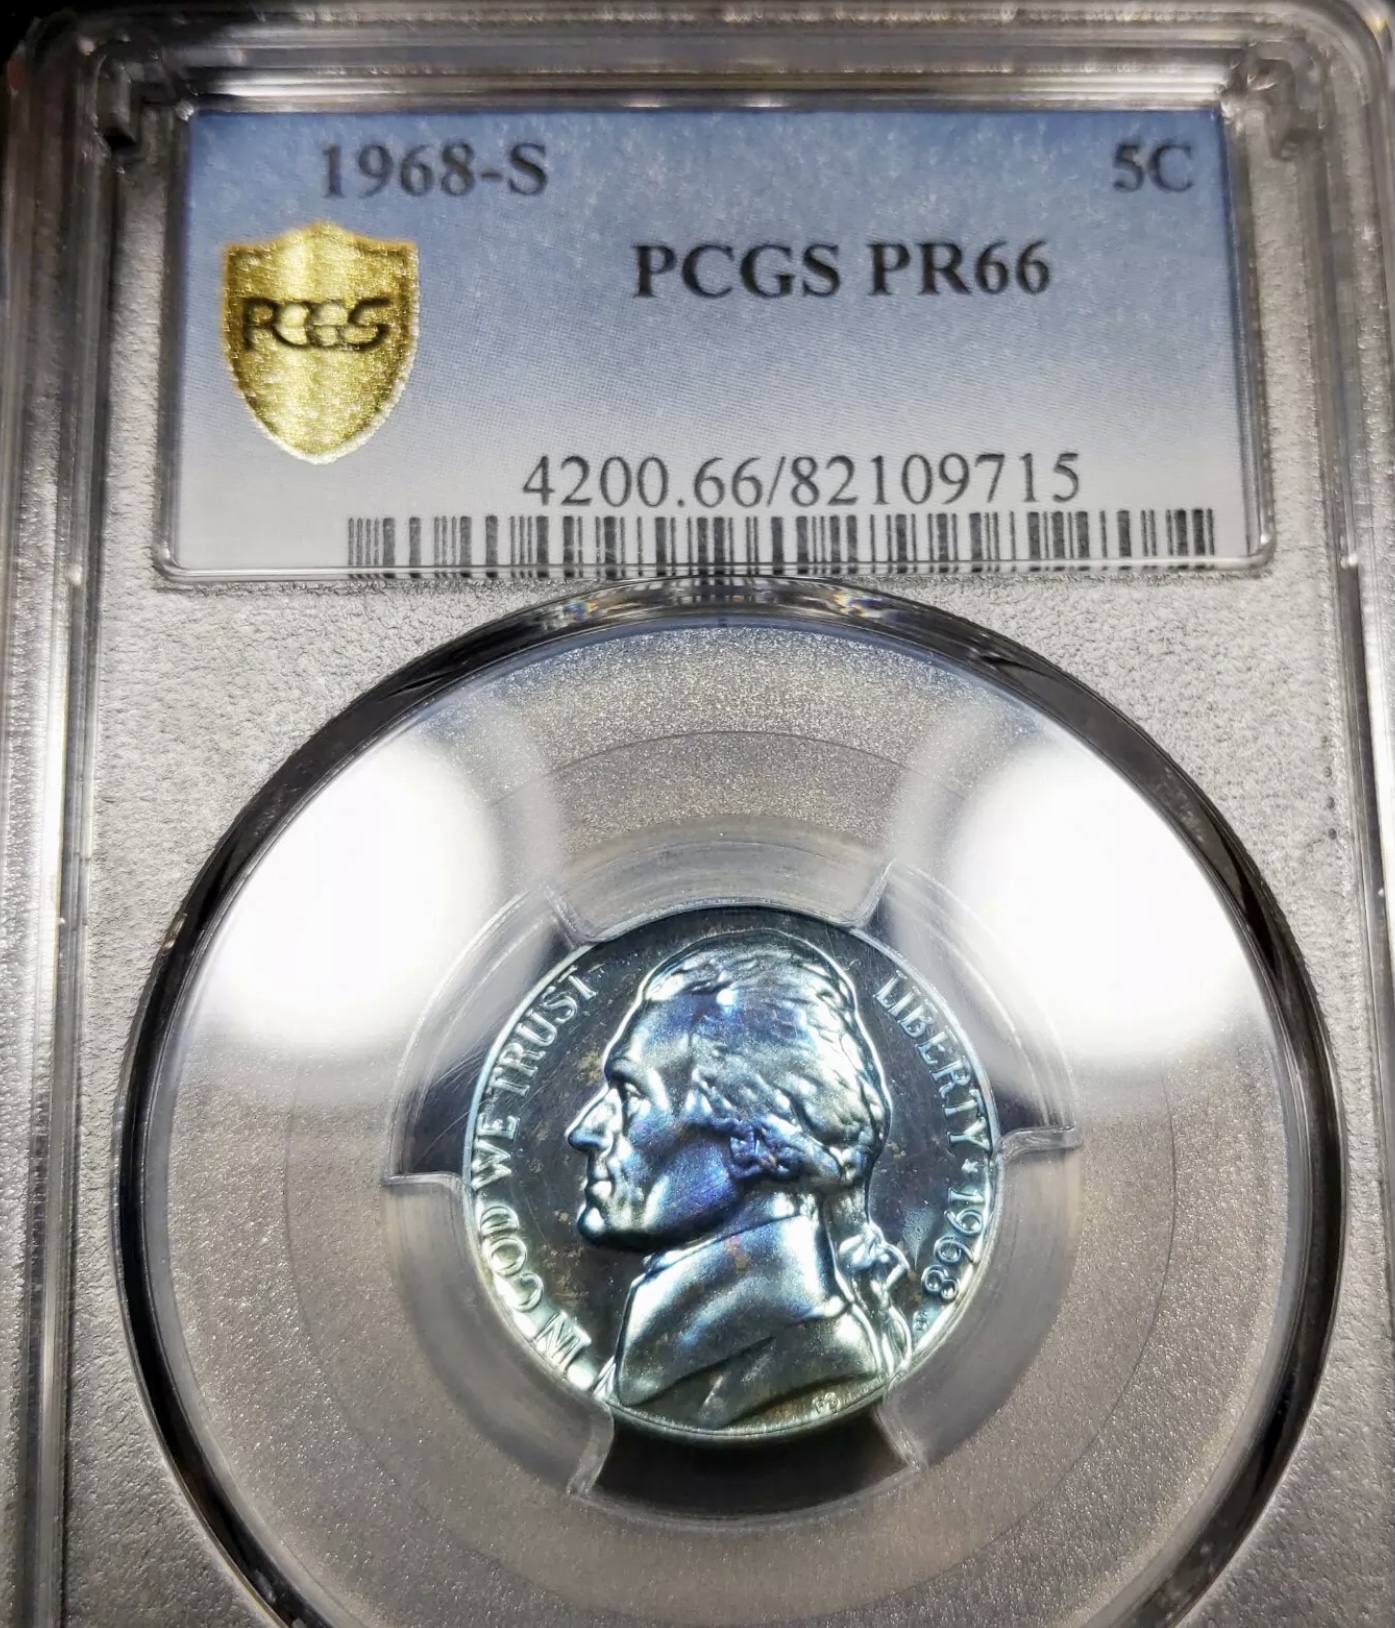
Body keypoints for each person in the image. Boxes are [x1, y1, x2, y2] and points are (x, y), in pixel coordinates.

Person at [566, 929, 909, 1430]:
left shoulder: (812, 1374)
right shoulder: (681, 1374)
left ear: (758, 1143)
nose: (584, 1132)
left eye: (631, 1095)